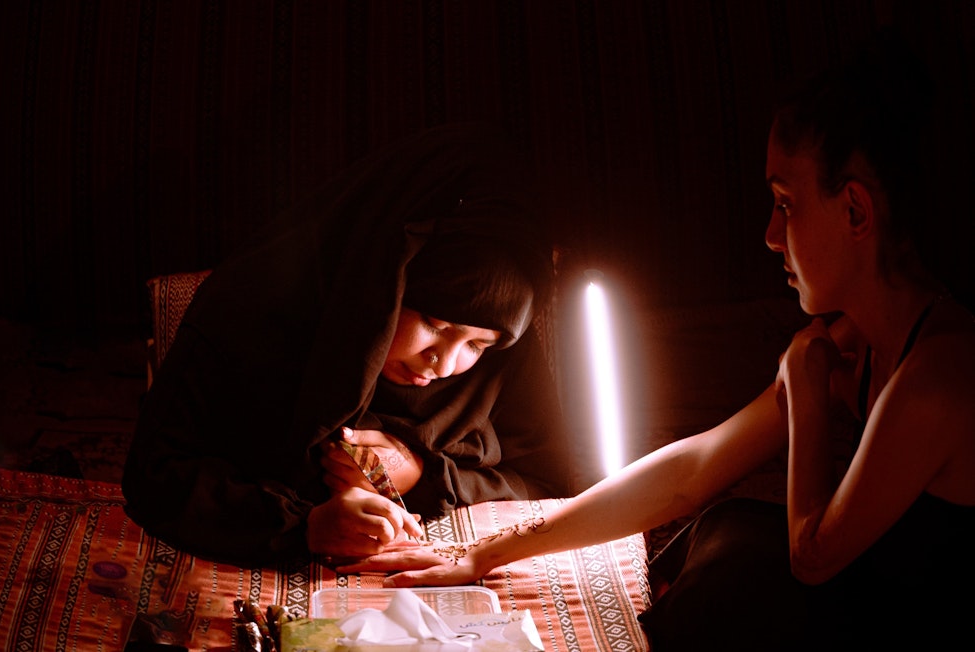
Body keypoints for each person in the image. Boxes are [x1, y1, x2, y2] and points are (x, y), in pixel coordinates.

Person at [338, 30, 975, 649]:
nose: (770, 235)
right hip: (867, 596)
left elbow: (814, 556)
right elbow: (692, 470)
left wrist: (808, 397)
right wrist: (489, 553)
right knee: (723, 533)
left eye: (785, 204)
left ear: (856, 211)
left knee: (738, 570)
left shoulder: (939, 376)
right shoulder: (856, 338)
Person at [122, 123, 603, 568]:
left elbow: (547, 484)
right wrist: (303, 527)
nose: (444, 363)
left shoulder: (500, 347)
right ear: (381, 287)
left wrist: (424, 476)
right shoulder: (250, 309)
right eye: (435, 323)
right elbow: (154, 475)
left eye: (478, 344)